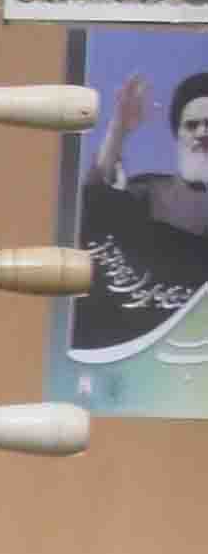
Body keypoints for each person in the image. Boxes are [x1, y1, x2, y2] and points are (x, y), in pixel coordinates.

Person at [71, 70, 208, 358]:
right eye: (191, 125)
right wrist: (119, 128)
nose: (202, 133)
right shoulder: (149, 191)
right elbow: (95, 195)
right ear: (178, 135)